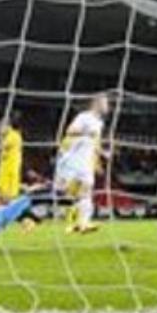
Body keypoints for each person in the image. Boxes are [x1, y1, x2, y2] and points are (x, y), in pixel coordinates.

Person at [55, 93, 112, 234]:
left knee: (86, 191)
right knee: (67, 192)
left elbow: (94, 143)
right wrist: (86, 133)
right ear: (96, 103)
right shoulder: (84, 117)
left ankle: (83, 223)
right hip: (73, 160)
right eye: (105, 103)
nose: (107, 106)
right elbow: (70, 131)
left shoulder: (100, 123)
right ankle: (70, 223)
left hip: (86, 162)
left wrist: (103, 154)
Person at [0, 115, 24, 214]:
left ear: (7, 126)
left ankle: (27, 221)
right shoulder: (7, 137)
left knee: (8, 200)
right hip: (2, 173)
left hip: (10, 174)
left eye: (0, 128)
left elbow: (4, 145)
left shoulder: (14, 135)